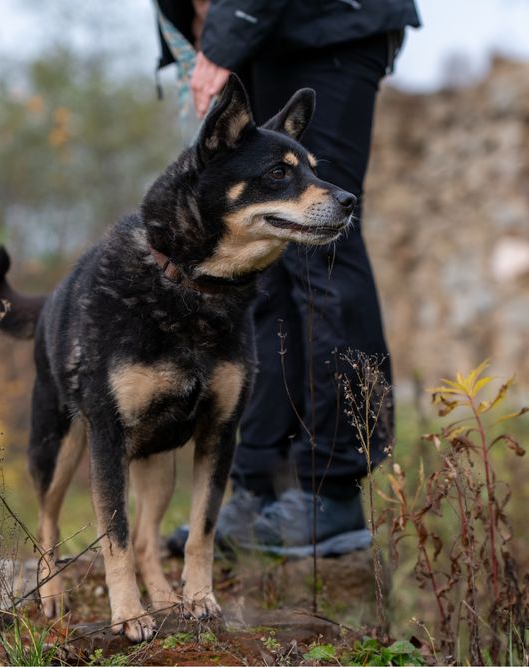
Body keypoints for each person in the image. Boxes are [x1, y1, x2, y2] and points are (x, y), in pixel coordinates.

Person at [156, 0, 420, 554]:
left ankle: (332, 488)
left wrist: (223, 38)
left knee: (321, 252)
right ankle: (259, 486)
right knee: (261, 263)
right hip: (256, 41)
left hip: (324, 29)